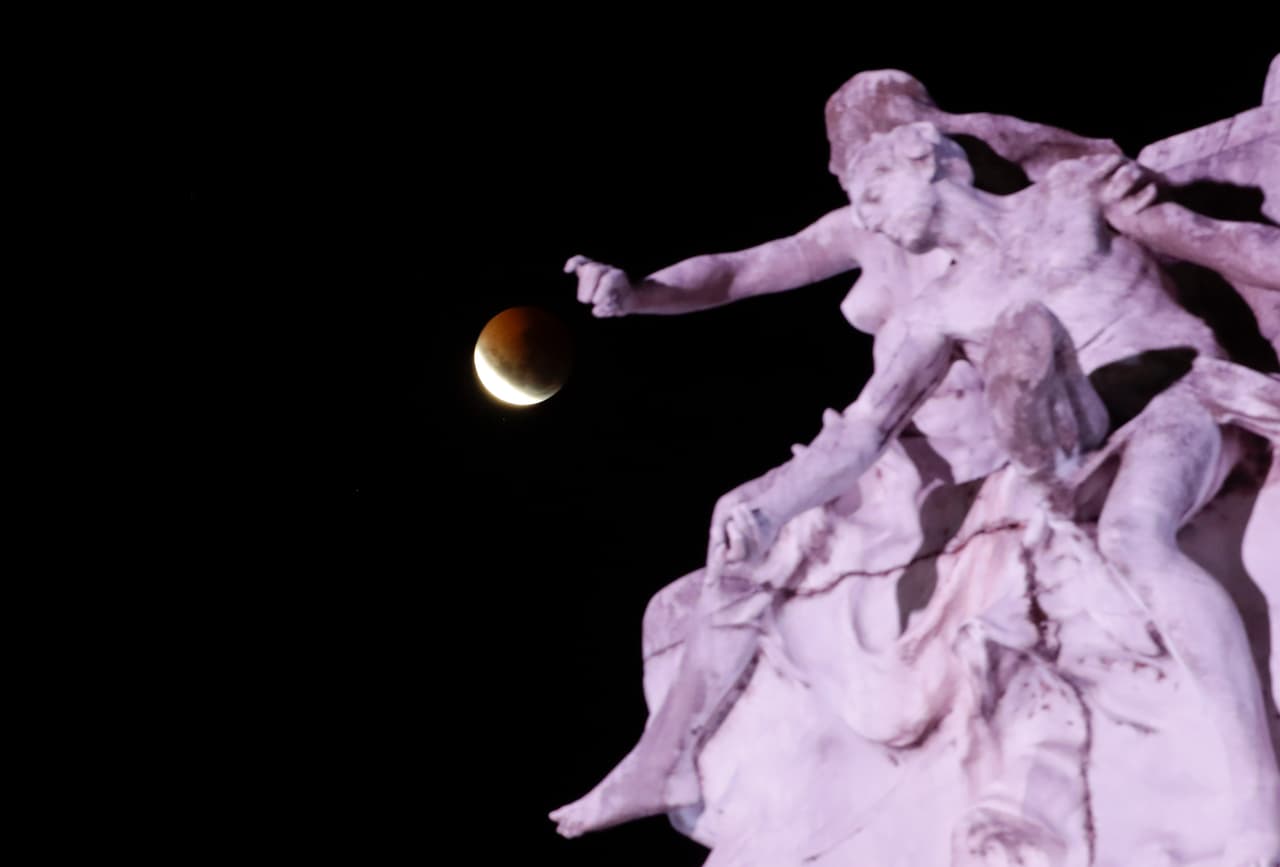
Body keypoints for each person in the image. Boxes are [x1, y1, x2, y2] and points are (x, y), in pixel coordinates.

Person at [552, 74, 1280, 855]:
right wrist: (769, 504)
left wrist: (1172, 221)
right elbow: (861, 430)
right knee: (1044, 452)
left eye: (868, 185)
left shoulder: (1070, 195)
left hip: (1177, 395)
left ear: (929, 159)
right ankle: (1037, 409)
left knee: (1136, 535)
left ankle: (1254, 792)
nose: (862, 214)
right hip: (1083, 438)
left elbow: (1225, 247)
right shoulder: (943, 308)